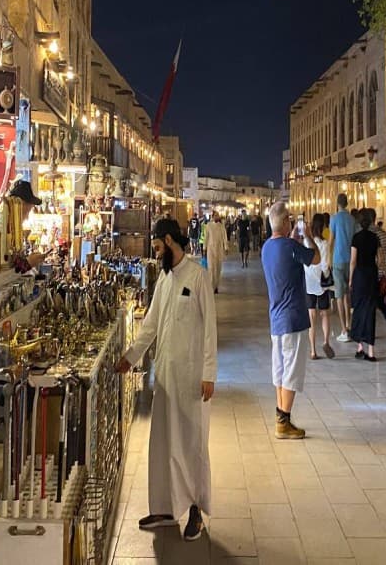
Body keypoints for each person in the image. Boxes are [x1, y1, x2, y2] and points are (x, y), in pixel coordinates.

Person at [116, 218, 217, 541]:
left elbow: (211, 331)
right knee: (163, 443)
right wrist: (131, 357)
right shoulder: (165, 278)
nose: (156, 252)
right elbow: (152, 323)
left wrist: (209, 373)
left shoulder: (198, 276)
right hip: (166, 375)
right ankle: (164, 507)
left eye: (158, 246)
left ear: (170, 241)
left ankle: (196, 511)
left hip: (191, 379)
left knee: (191, 444)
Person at [262, 201, 319, 440]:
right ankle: (283, 421)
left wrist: (292, 239)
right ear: (286, 222)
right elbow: (315, 258)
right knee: (292, 372)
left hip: (276, 318)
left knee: (280, 370)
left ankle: (281, 418)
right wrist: (308, 236)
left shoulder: (267, 247)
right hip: (294, 317)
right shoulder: (291, 246)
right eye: (290, 220)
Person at [350, 208, 384, 361]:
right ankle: (371, 351)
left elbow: (353, 261)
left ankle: (359, 347)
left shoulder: (356, 237)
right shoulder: (375, 237)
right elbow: (380, 259)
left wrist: (350, 279)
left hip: (359, 276)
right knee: (370, 311)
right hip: (371, 276)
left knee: (358, 310)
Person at [304, 213, 334, 360]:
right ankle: (326, 342)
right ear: (321, 226)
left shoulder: (306, 242)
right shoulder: (324, 244)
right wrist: (326, 275)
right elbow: (326, 265)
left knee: (311, 316)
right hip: (321, 283)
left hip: (309, 282)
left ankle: (312, 351)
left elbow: (304, 262)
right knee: (325, 314)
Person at [330, 193, 357, 343]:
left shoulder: (334, 219)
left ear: (337, 203)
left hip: (338, 260)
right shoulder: (352, 220)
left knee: (339, 296)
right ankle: (349, 323)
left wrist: (327, 259)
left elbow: (331, 241)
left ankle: (343, 330)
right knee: (348, 294)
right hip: (351, 259)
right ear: (347, 203)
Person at [204, 212, 227, 294]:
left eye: (218, 215)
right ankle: (211, 286)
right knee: (211, 268)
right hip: (210, 250)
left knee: (218, 268)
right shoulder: (208, 226)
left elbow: (225, 237)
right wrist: (204, 248)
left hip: (219, 249)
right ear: (213, 216)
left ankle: (216, 286)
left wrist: (226, 247)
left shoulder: (221, 226)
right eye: (216, 215)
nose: (217, 217)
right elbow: (206, 237)